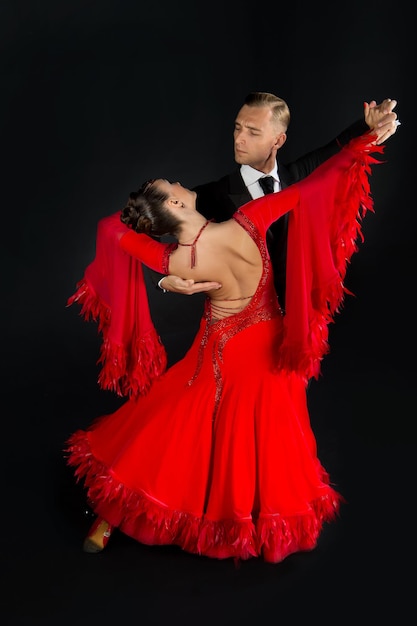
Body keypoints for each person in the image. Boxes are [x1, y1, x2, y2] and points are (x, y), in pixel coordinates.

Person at [66, 131, 388, 563]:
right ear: (177, 205)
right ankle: (251, 523)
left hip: (215, 350)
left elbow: (109, 228)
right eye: (175, 186)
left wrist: (165, 282)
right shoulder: (250, 220)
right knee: (265, 436)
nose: (183, 184)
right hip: (266, 345)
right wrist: (359, 146)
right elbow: (313, 187)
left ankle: (111, 517)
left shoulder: (172, 260)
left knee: (176, 424)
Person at [155, 92, 398, 313]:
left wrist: (369, 125)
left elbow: (338, 147)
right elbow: (141, 224)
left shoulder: (298, 174)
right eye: (237, 128)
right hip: (245, 321)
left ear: (278, 141)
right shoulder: (211, 195)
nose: (239, 139)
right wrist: (164, 281)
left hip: (298, 314)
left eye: (253, 132)